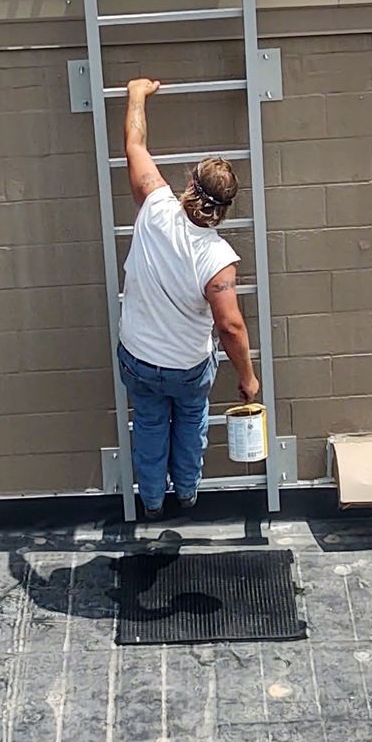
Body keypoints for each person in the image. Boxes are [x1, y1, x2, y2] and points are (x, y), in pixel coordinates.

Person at [116, 76, 260, 518]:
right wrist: (248, 378)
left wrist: (137, 94)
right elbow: (230, 326)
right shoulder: (217, 259)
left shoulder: (155, 205)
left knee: (151, 425)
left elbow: (134, 144)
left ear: (189, 183)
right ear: (225, 207)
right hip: (186, 366)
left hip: (138, 356)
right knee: (190, 425)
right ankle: (188, 494)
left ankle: (154, 501)